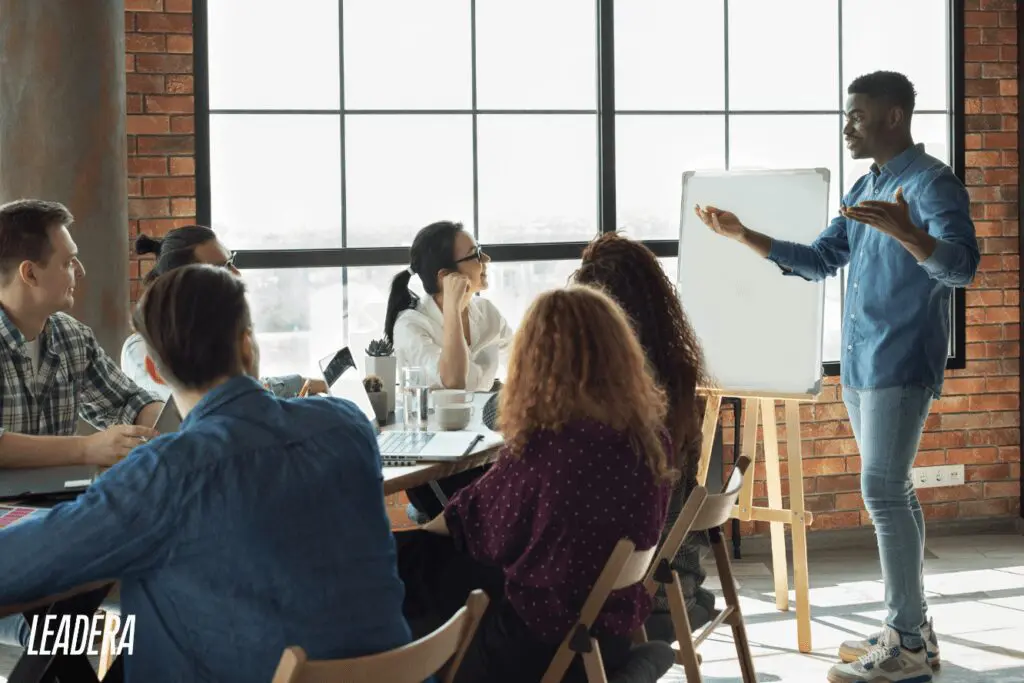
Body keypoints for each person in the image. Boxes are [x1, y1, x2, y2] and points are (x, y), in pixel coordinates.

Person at [694, 71, 978, 683]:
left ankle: (903, 643)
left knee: (880, 490)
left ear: (894, 116)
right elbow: (823, 258)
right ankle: (916, 632)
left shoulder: (931, 184)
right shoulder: (866, 184)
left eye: (856, 115)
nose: (846, 125)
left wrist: (909, 233)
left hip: (901, 360)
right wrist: (744, 235)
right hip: (860, 362)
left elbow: (962, 269)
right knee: (894, 491)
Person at [0, 264, 412, 682]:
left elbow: (16, 566)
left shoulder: (165, 473)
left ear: (156, 371)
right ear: (247, 346)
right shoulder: (348, 425)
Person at [396, 285, 674, 683]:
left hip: (535, 646)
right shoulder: (650, 439)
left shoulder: (546, 447)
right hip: (607, 634)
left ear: (535, 362)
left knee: (408, 565)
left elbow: (472, 524)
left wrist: (420, 534)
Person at [0, 199, 165, 647]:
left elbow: (130, 402)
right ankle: (47, 640)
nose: (80, 271)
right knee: (77, 629)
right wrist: (87, 448)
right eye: (69, 261)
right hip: (12, 541)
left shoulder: (71, 336)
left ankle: (60, 642)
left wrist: (163, 422)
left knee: (158, 582)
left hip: (59, 521)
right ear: (30, 273)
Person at [573, 232, 717, 636]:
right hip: (678, 582)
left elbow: (503, 412)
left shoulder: (603, 387)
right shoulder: (677, 372)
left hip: (635, 600)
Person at [384, 220, 513, 520]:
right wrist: (453, 308)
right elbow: (453, 379)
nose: (486, 260)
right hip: (441, 470)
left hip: (482, 448)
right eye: (476, 254)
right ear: (445, 276)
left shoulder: (485, 312)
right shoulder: (412, 325)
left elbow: (524, 356)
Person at [120, 226, 327, 399]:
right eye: (222, 267)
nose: (237, 273)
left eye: (232, 261)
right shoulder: (141, 348)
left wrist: (304, 383)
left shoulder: (213, 330)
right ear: (185, 282)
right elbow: (210, 399)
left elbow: (244, 389)